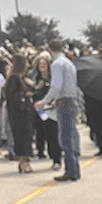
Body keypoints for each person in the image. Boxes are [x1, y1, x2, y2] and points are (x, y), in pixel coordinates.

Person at [39, 40, 82, 181]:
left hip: (64, 101)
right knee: (71, 135)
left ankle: (71, 170)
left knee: (65, 138)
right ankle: (74, 168)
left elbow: (56, 86)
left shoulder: (57, 64)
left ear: (49, 49)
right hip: (71, 99)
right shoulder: (68, 63)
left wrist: (45, 101)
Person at [4, 53, 35, 174]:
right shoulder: (14, 78)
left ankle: (24, 161)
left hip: (24, 112)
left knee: (26, 137)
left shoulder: (19, 78)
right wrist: (26, 94)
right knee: (22, 137)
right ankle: (24, 161)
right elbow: (13, 96)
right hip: (19, 113)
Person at [30, 53, 61, 166]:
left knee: (53, 133)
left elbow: (56, 90)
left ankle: (56, 158)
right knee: (40, 130)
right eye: (40, 64)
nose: (42, 65)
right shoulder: (35, 78)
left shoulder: (53, 77)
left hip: (51, 109)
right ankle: (40, 151)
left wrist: (53, 101)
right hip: (40, 109)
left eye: (44, 63)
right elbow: (33, 93)